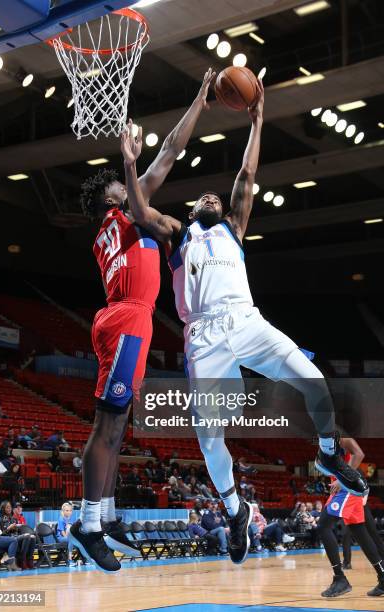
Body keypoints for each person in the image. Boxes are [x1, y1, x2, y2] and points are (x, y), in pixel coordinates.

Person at [120, 75, 368, 565]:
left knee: (315, 380)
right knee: (209, 438)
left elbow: (247, 175)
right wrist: (135, 160)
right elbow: (141, 201)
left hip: (248, 322)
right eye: (203, 199)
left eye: (217, 197)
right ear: (192, 210)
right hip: (205, 337)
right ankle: (235, 511)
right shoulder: (177, 233)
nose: (212, 198)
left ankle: (326, 452)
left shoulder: (234, 226)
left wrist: (257, 120)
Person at [69, 68, 216, 572]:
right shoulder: (126, 216)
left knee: (118, 424)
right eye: (121, 182)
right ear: (113, 197)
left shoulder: (117, 227)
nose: (127, 182)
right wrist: (199, 100)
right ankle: (88, 525)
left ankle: (105, 519)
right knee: (108, 427)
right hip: (128, 319)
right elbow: (171, 151)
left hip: (126, 317)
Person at [319, 437, 384, 598]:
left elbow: (359, 454)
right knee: (360, 533)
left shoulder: (342, 438)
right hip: (345, 488)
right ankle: (383, 576)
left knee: (323, 526)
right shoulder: (323, 440)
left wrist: (341, 481)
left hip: (347, 487)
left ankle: (340, 579)